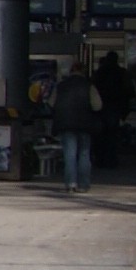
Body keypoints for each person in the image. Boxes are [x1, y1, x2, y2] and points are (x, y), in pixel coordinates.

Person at [51, 63, 102, 192]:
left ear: (70, 71)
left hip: (66, 124)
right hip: (85, 124)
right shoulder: (89, 86)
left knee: (69, 154)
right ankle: (83, 185)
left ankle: (70, 183)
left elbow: (52, 103)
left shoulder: (61, 86)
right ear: (84, 72)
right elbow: (97, 106)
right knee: (84, 154)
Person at [94, 52, 136, 166]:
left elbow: (93, 89)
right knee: (112, 134)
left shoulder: (99, 73)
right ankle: (111, 159)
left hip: (101, 107)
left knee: (101, 135)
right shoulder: (122, 73)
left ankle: (101, 159)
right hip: (115, 106)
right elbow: (129, 90)